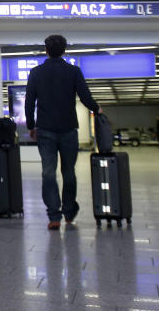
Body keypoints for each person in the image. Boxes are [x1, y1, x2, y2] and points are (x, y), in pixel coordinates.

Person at [26, 35, 102, 230]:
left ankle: (53, 215)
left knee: (48, 172)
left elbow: (29, 101)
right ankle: (69, 211)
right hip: (68, 129)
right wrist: (97, 109)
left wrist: (30, 126)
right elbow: (85, 96)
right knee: (69, 172)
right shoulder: (73, 71)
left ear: (46, 50)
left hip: (45, 130)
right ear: (65, 50)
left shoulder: (36, 73)